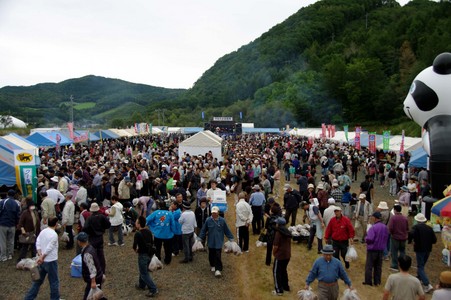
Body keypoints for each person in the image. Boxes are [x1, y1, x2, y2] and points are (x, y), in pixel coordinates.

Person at [24, 217, 60, 300]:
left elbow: (38, 242)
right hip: (51, 260)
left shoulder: (43, 231)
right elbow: (50, 248)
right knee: (54, 281)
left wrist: (40, 255)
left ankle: (29, 297)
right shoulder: (54, 234)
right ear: (56, 223)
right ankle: (55, 298)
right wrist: (43, 256)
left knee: (37, 280)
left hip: (41, 261)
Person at [198, 206, 234, 277]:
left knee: (218, 255)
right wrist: (200, 238)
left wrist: (231, 238)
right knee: (211, 254)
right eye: (212, 213)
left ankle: (218, 270)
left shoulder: (222, 221)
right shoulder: (208, 220)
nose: (213, 214)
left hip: (219, 242)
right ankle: (212, 265)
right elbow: (203, 230)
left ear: (218, 213)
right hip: (211, 242)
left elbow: (226, 230)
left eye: (215, 213)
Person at [408, 213, 437, 293]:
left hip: (419, 249)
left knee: (420, 266)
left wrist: (410, 241)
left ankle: (427, 284)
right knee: (422, 265)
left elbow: (410, 233)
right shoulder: (429, 228)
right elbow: (434, 240)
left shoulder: (416, 227)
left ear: (417, 220)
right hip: (428, 249)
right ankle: (418, 279)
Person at [133, 216, 158, 298]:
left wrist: (136, 250)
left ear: (139, 224)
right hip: (149, 254)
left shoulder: (137, 234)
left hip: (142, 254)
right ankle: (141, 285)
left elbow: (134, 246)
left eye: (136, 222)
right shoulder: (148, 231)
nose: (135, 223)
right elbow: (152, 242)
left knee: (144, 273)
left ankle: (153, 289)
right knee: (143, 270)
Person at [83, 202, 111, 273]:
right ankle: (102, 270)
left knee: (92, 254)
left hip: (92, 237)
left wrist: (89, 232)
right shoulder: (102, 216)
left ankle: (94, 269)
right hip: (100, 236)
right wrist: (102, 228)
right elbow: (108, 224)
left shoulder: (89, 218)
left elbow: (85, 228)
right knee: (101, 254)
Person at [363, 212, 389, 286]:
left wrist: (366, 239)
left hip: (372, 249)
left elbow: (370, 239)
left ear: (375, 218)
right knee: (378, 266)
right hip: (380, 249)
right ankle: (377, 281)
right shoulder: (384, 227)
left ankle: (368, 281)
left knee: (369, 266)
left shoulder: (373, 227)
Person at [76, 232, 104, 300]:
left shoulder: (87, 253)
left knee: (89, 297)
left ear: (79, 241)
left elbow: (92, 269)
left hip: (94, 279)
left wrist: (93, 282)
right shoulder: (90, 247)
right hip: (98, 276)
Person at [272, 217, 292, 296]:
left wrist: (274, 253)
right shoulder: (287, 232)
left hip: (280, 256)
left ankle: (279, 290)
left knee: (276, 272)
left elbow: (276, 246)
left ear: (279, 224)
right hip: (287, 255)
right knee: (283, 271)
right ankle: (285, 287)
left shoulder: (278, 233)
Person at [0, 189, 20, 262]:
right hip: (12, 224)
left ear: (7, 194)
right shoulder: (16, 203)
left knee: (3, 241)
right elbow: (18, 215)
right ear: (14, 195)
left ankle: (3, 256)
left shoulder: (3, 201)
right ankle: (10, 255)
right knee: (11, 240)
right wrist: (17, 223)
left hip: (3, 223)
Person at [388, 204, 409, 271]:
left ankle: (395, 265)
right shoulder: (405, 218)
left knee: (394, 251)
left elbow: (390, 227)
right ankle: (403, 264)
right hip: (403, 237)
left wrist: (390, 233)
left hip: (395, 237)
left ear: (395, 210)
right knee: (402, 251)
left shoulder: (393, 218)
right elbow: (407, 228)